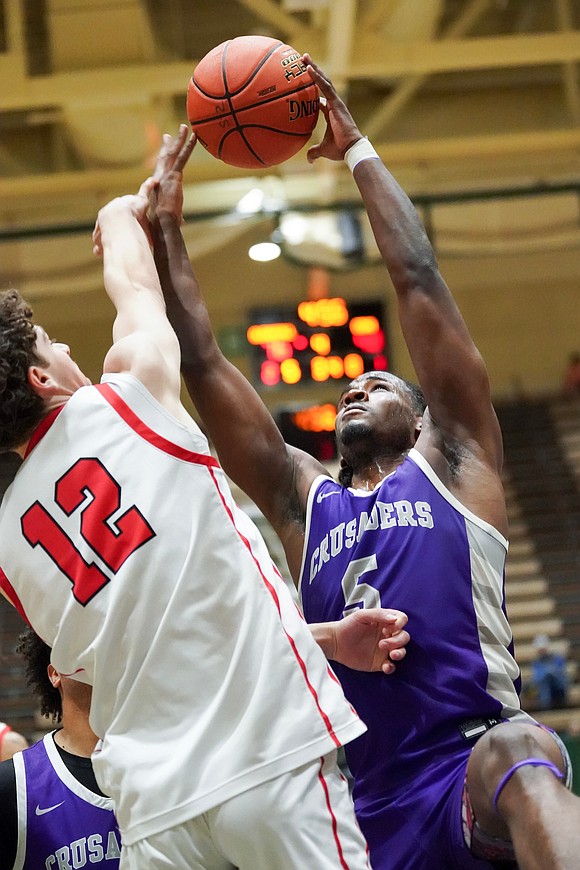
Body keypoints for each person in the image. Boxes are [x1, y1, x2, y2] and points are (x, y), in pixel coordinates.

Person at [150, 57, 580, 870]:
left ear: (421, 418)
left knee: (522, 748)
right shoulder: (300, 497)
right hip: (349, 802)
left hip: (464, 770)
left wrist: (356, 151)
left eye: (379, 382)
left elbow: (416, 275)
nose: (355, 384)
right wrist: (167, 230)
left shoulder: (454, 462)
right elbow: (202, 362)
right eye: (352, 382)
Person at [0, 126, 409, 870]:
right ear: (38, 378)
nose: (65, 352)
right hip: (269, 755)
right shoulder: (128, 395)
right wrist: (127, 212)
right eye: (54, 345)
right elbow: (134, 291)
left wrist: (324, 639)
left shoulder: (5, 548)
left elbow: (141, 648)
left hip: (156, 813)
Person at [0, 628, 120, 870]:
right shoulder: (14, 784)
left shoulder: (169, 764)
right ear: (55, 672)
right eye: (84, 645)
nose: (98, 654)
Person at [530, 633, 570, 710]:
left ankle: (547, 705)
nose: (542, 651)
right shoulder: (536, 662)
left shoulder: (557, 658)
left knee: (548, 675)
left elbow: (562, 674)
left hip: (558, 687)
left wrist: (550, 673)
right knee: (545, 678)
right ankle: (546, 706)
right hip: (546, 687)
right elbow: (537, 678)